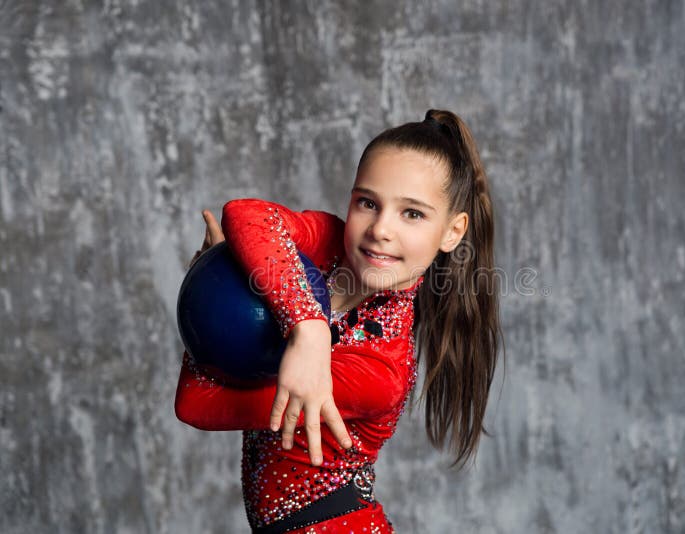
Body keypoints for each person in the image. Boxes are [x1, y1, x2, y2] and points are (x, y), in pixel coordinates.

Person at [174, 109, 503, 532]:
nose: (380, 229)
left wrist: (226, 316)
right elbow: (244, 213)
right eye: (368, 203)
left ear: (452, 233)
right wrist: (300, 322)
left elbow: (197, 404)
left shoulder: (379, 369)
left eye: (413, 214)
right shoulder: (326, 244)